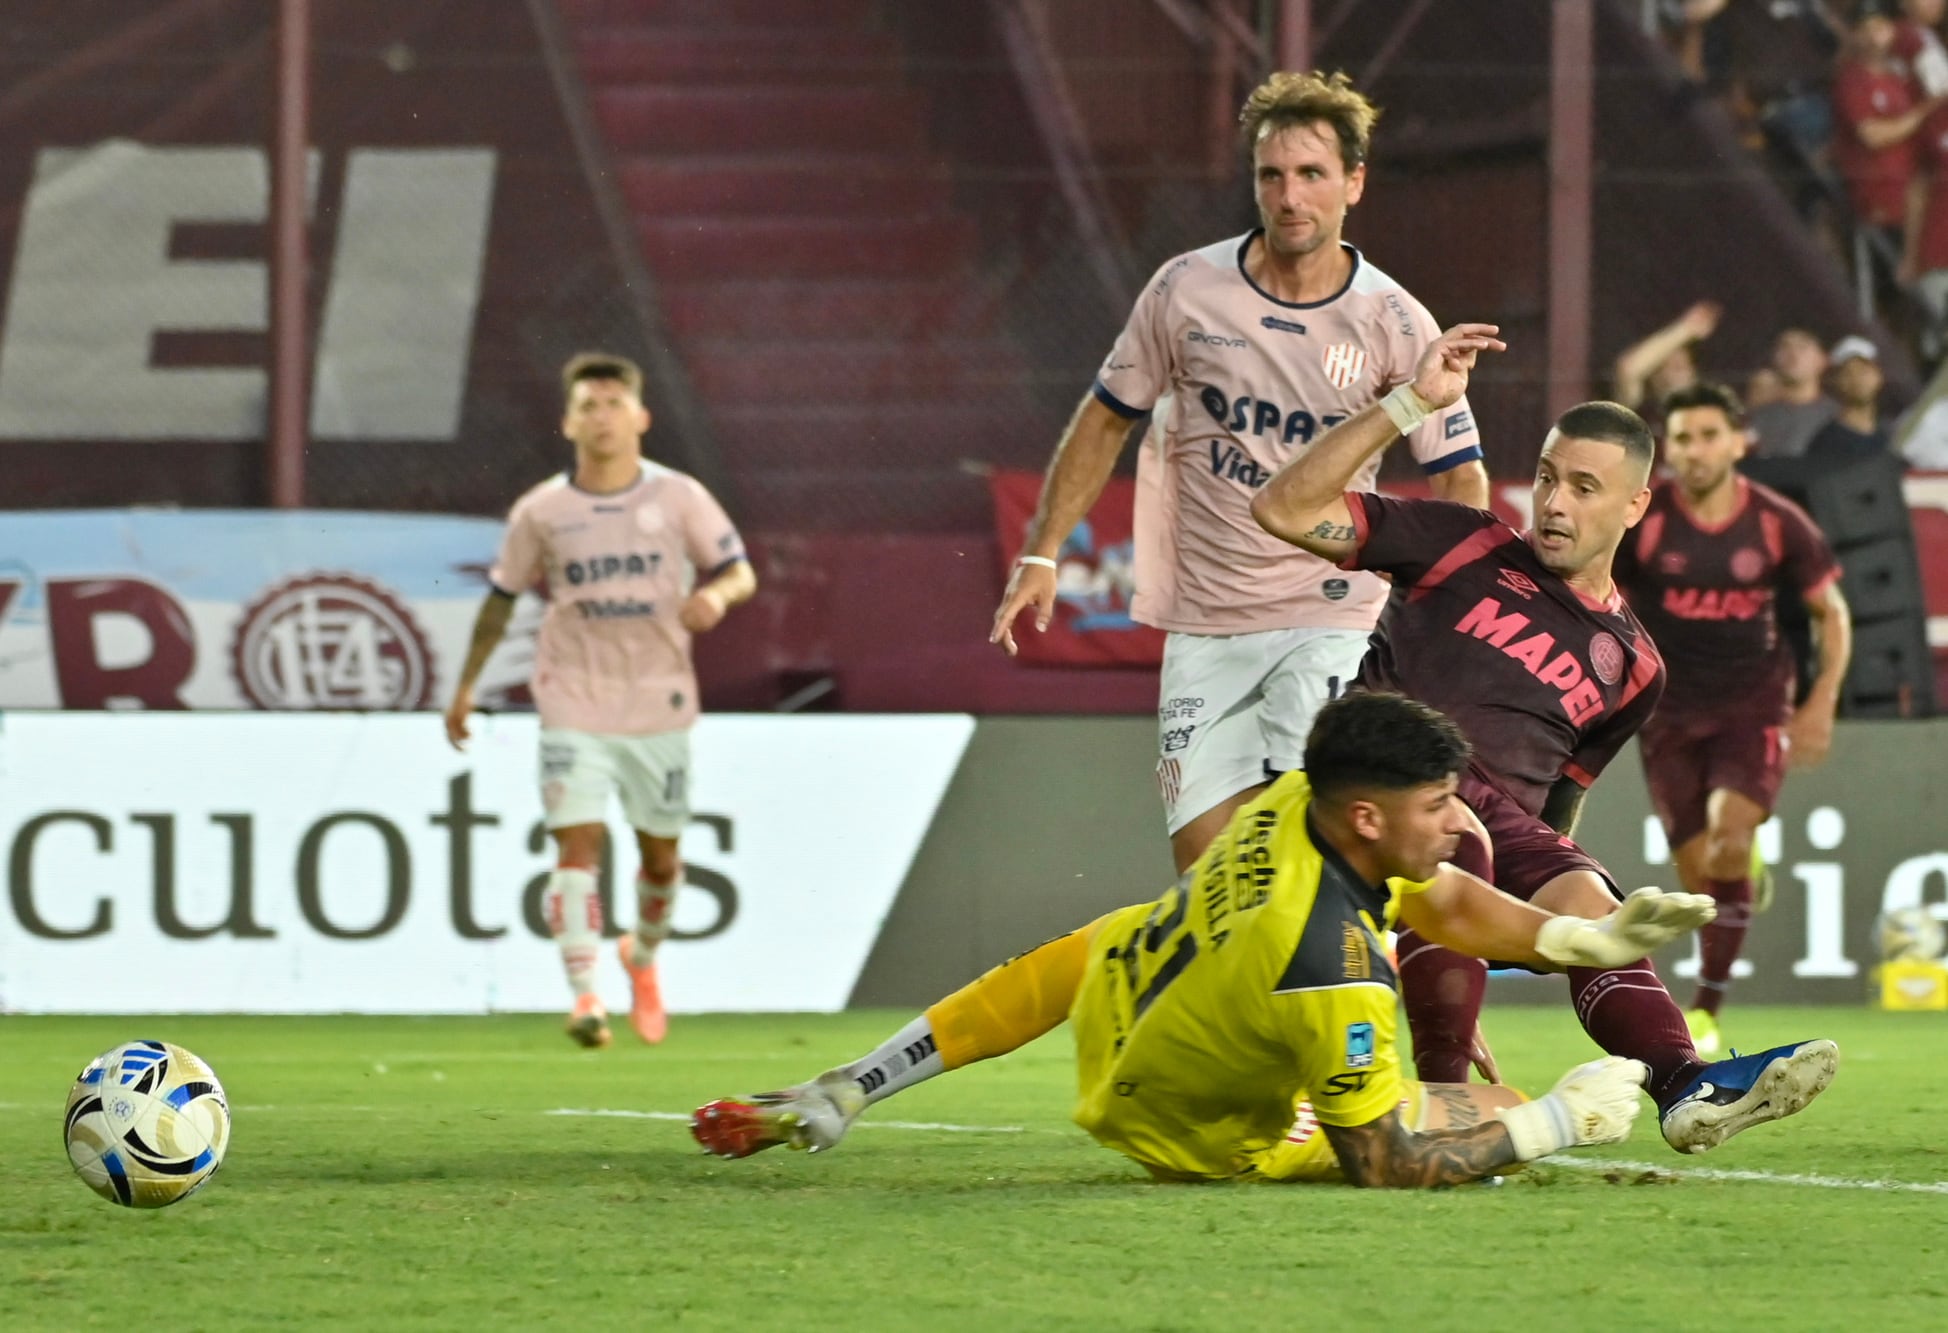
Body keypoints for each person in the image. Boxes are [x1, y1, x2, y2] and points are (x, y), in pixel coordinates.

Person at [691, 693, 1716, 1187]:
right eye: (1442, 801)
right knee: (1483, 1116)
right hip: (1194, 1130)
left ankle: (845, 1084)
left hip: (1127, 1002)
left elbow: (1434, 901)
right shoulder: (1333, 970)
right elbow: (1383, 1159)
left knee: (1108, 937)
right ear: (1367, 816)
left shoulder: (1290, 802)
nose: (1461, 822)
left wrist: (1574, 938)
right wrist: (1553, 1123)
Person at [1249, 322, 1840, 1154]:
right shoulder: (1461, 542)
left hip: (1485, 830)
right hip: (1382, 784)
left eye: (1586, 488)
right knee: (1467, 828)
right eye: (1550, 478)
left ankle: (1683, 1082)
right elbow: (1280, 507)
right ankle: (1449, 1082)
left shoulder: (1635, 667)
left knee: (1593, 903)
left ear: (1636, 503)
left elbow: (1557, 809)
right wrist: (1410, 402)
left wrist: (1505, 930)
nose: (1556, 503)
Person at [988, 70, 1490, 877]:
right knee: (1206, 869)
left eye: (1312, 174)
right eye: (1272, 175)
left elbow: (1459, 477)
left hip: (1334, 616)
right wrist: (1043, 550)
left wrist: (1435, 611)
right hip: (1207, 619)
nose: (1290, 196)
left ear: (1353, 184)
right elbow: (1106, 415)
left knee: (1324, 840)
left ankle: (1353, 989)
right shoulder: (1186, 289)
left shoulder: (1396, 320)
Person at [444, 352, 756, 1048]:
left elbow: (739, 571)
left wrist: (714, 594)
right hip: (572, 697)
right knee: (576, 846)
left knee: (663, 861)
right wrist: (465, 686)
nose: (602, 415)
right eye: (588, 404)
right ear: (568, 422)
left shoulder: (679, 498)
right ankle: (585, 996)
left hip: (657, 703)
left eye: (615, 403)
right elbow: (501, 602)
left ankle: (639, 956)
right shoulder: (542, 511)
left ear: (642, 417)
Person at [1612, 382, 1851, 1057]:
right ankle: (1745, 866)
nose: (1695, 450)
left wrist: (1822, 698)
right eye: (1682, 437)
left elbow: (1831, 612)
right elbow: (1605, 599)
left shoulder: (1777, 520)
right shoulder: (1648, 520)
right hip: (1670, 711)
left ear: (1740, 440)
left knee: (1725, 843)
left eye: (1709, 435)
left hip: (1753, 703)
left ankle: (1707, 1008)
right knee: (1701, 880)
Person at [1609, 300, 1721, 414]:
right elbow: (1628, 370)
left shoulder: (1710, 411)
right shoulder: (1642, 412)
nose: (1679, 366)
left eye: (1684, 364)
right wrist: (1686, 329)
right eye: (1670, 364)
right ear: (1654, 376)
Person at [1747, 328, 1839, 458]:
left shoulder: (1838, 416)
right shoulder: (1759, 415)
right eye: (1784, 347)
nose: (1793, 355)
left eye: (1803, 347)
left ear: (1823, 359)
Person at [1805, 335, 1894, 463]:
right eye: (1847, 373)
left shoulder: (1890, 436)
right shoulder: (1827, 442)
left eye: (1864, 370)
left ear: (1879, 375)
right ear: (1836, 381)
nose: (1857, 379)